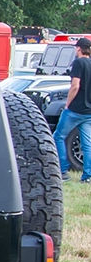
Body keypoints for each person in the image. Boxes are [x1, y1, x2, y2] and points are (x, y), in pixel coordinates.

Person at [55, 36, 91, 182]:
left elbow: (75, 85)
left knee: (58, 136)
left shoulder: (78, 63)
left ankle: (62, 170)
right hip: (88, 112)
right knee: (87, 143)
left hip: (75, 110)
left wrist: (67, 104)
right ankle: (88, 176)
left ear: (79, 48)